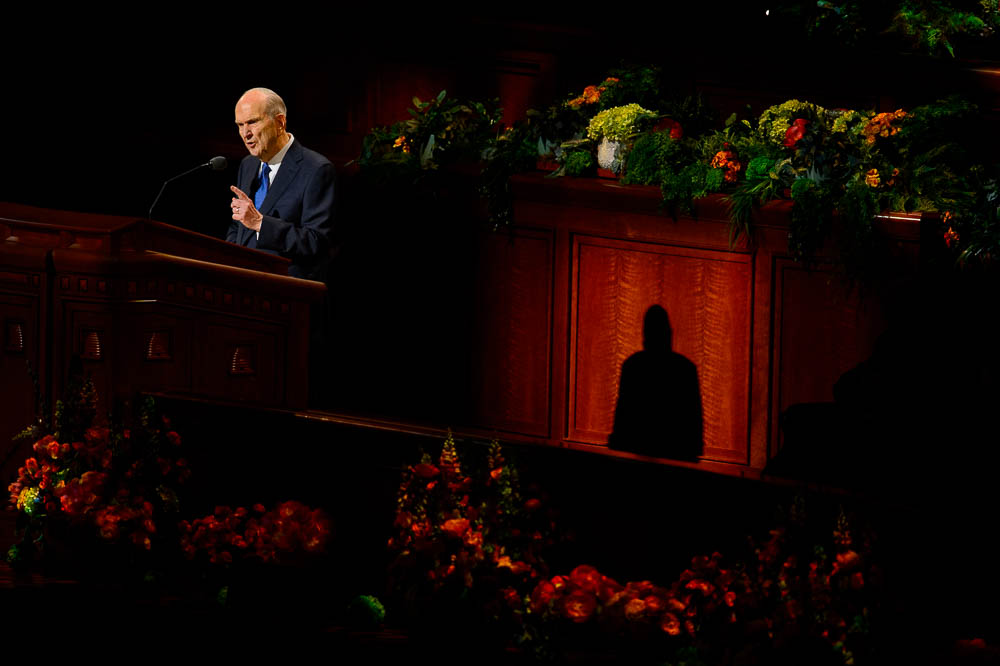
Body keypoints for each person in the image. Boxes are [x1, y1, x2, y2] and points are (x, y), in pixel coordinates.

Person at [227, 87, 335, 280]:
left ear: (279, 122)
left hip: (284, 288)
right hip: (242, 283)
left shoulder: (316, 169)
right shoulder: (248, 164)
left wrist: (261, 224)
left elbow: (316, 242)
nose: (245, 133)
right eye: (240, 125)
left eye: (252, 122)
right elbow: (238, 227)